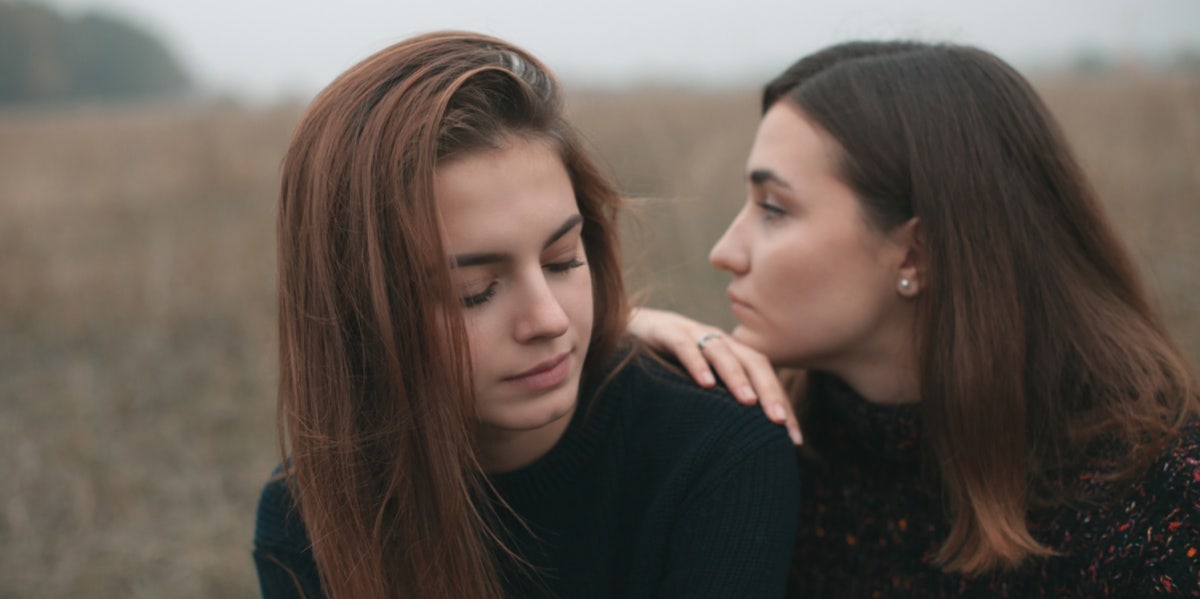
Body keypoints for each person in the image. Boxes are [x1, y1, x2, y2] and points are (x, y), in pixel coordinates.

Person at [629, 41, 1200, 596]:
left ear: (914, 255)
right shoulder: (750, 447)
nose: (724, 251)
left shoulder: (1158, 491)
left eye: (774, 209)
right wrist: (611, 346)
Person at [252, 31, 798, 599]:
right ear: (359, 313)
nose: (548, 320)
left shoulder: (714, 456)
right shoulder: (307, 518)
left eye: (562, 260)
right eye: (475, 291)